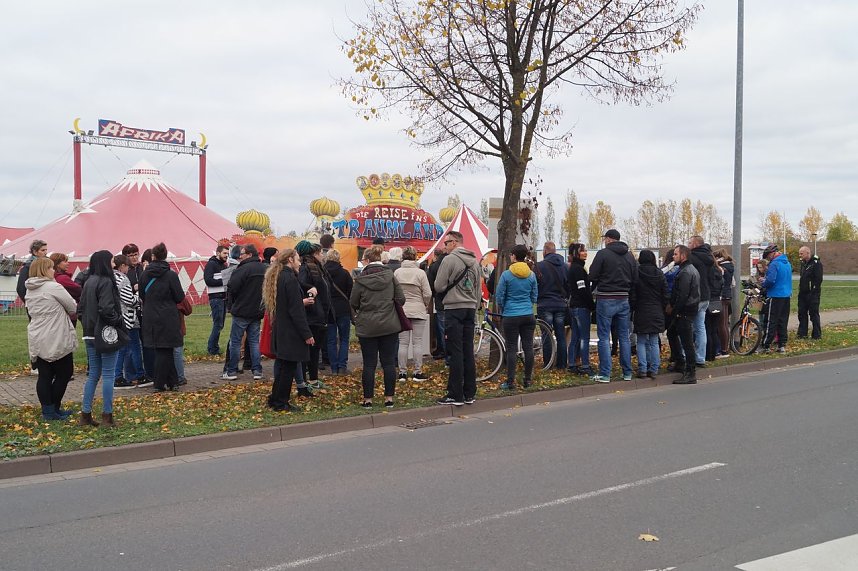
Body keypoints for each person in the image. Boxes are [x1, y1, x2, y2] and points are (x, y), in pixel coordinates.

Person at [351, 245, 405, 408]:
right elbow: (401, 298)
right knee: (388, 363)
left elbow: (353, 302)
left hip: (367, 326)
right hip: (389, 324)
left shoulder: (360, 280)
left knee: (369, 364)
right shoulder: (390, 276)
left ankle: (368, 399)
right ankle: (389, 398)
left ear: (366, 260)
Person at [25, 258, 78, 420]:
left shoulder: (30, 289)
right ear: (44, 270)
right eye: (51, 268)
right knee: (64, 372)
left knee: (45, 374)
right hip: (56, 333)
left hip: (38, 333)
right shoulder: (53, 287)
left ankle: (48, 410)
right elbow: (72, 306)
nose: (53, 271)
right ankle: (53, 407)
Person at [264, 248, 315, 412]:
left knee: (283, 367)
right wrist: (307, 334)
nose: (300, 263)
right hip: (290, 332)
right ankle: (281, 402)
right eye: (298, 259)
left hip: (282, 329)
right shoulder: (289, 279)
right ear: (290, 260)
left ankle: (275, 398)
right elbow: (296, 310)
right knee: (288, 369)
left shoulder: (279, 276)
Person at [433, 231, 481, 406]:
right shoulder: (474, 261)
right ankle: (470, 392)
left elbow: (438, 286)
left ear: (454, 243)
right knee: (468, 350)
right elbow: (477, 290)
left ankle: (455, 394)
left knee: (455, 352)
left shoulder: (449, 260)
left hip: (454, 308)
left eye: (446, 243)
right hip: (470, 308)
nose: (444, 247)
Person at [78, 250, 124, 427]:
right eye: (112, 261)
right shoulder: (106, 282)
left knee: (93, 375)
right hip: (105, 332)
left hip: (89, 332)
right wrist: (118, 321)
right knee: (108, 375)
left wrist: (88, 324)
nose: (114, 264)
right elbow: (106, 308)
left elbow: (80, 309)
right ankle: (107, 414)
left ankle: (86, 413)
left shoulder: (88, 281)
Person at [588, 229, 637, 383]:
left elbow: (593, 274)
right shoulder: (629, 256)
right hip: (624, 298)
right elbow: (635, 278)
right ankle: (627, 372)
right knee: (624, 337)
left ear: (609, 239)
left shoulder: (603, 254)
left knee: (603, 337)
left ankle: (605, 373)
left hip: (606, 297)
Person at [140, 243, 186, 392]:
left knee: (164, 348)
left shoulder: (145, 274)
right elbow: (179, 296)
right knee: (164, 349)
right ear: (165, 256)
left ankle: (173, 382)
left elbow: (141, 294)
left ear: (153, 256)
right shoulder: (171, 275)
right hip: (168, 315)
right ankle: (159, 383)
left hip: (150, 314)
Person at [496, 244, 538, 390]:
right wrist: (528, 303)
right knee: (528, 347)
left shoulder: (506, 275)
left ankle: (511, 381)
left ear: (514, 256)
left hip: (511, 315)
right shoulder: (531, 274)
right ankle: (527, 380)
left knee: (512, 348)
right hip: (527, 314)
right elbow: (534, 295)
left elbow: (500, 295)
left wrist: (503, 306)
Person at [223, 244, 266, 380]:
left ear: (249, 254)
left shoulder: (241, 269)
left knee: (235, 342)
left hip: (241, 310)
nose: (239, 256)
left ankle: (231, 371)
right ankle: (257, 370)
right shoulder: (264, 269)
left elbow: (232, 287)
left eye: (242, 254)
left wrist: (232, 304)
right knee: (254, 341)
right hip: (257, 310)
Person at [296, 241, 332, 390]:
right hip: (312, 314)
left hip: (320, 314)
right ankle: (305, 381)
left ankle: (313, 379)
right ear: (314, 254)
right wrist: (310, 289)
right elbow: (301, 284)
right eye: (320, 253)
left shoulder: (317, 268)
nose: (323, 255)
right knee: (309, 350)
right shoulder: (307, 268)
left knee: (315, 350)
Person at [394, 246, 432, 381]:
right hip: (418, 308)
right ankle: (417, 371)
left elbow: (394, 292)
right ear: (415, 257)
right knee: (417, 342)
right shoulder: (420, 273)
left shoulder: (397, 272)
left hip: (403, 310)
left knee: (403, 343)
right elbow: (427, 293)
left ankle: (402, 372)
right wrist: (425, 304)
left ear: (403, 257)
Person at [666, 245, 700, 384]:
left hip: (685, 310)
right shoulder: (687, 269)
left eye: (675, 254)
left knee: (687, 342)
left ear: (683, 256)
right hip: (686, 308)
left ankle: (690, 373)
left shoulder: (686, 271)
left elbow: (683, 294)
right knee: (671, 333)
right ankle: (680, 362)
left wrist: (674, 310)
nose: (673, 256)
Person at [633, 250, 667, 378]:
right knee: (653, 341)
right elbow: (665, 294)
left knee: (641, 341)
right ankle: (654, 368)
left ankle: (642, 369)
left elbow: (633, 293)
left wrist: (634, 307)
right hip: (656, 310)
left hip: (641, 310)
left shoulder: (636, 273)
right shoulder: (659, 274)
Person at [535, 241, 568, 370]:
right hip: (560, 304)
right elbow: (567, 285)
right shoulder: (565, 266)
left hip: (545, 304)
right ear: (555, 251)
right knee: (561, 336)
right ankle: (562, 364)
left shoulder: (539, 266)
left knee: (547, 335)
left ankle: (548, 364)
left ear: (544, 251)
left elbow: (535, 285)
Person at [120, 243, 149, 385]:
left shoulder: (142, 269)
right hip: (131, 311)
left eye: (135, 254)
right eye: (130, 255)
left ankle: (143, 371)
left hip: (144, 311)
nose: (134, 257)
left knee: (142, 344)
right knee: (131, 346)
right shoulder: (125, 273)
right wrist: (134, 288)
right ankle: (132, 374)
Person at [323, 248, 353, 375]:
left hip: (329, 310)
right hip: (343, 309)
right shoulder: (345, 273)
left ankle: (334, 367)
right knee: (344, 338)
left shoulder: (323, 273)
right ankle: (342, 366)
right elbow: (350, 292)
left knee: (331, 340)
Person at [687, 236, 716, 367]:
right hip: (706, 296)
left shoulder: (692, 257)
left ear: (695, 244)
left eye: (689, 242)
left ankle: (686, 356)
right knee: (700, 328)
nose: (688, 245)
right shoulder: (709, 257)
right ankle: (700, 357)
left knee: (687, 327)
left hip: (695, 296)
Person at [112, 255, 139, 389]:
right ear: (122, 266)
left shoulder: (111, 277)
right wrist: (138, 297)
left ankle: (117, 376)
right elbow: (129, 300)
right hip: (125, 317)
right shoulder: (122, 279)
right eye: (127, 266)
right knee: (124, 349)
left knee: (119, 349)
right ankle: (118, 377)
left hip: (115, 316)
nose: (128, 269)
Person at [566, 243, 594, 375]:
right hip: (581, 307)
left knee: (576, 337)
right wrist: (591, 305)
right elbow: (582, 289)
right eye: (582, 251)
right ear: (577, 253)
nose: (585, 253)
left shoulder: (574, 268)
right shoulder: (578, 270)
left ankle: (572, 363)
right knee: (584, 337)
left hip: (574, 306)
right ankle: (585, 364)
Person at [760, 243, 792, 353]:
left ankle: (766, 345)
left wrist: (763, 282)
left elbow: (770, 281)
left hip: (775, 295)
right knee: (782, 321)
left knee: (771, 321)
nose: (768, 259)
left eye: (768, 256)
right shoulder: (787, 263)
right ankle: (781, 345)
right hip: (786, 295)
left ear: (772, 254)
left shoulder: (774, 264)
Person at [204, 244, 229, 355]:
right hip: (216, 298)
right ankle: (212, 348)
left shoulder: (223, 265)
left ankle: (214, 347)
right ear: (218, 253)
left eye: (227, 254)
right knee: (218, 324)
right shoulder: (211, 264)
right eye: (224, 253)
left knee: (220, 324)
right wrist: (224, 281)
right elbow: (208, 281)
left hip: (222, 297)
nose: (226, 255)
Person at [797, 246, 823, 339]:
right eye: (799, 253)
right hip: (803, 293)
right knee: (802, 313)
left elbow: (818, 279)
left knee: (813, 314)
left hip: (812, 293)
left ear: (807, 253)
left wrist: (813, 291)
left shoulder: (816, 263)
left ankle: (816, 334)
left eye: (801, 253)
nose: (800, 255)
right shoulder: (803, 263)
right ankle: (802, 333)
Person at [426, 249, 448, 360]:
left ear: (435, 256)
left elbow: (430, 285)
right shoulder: (452, 263)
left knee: (442, 328)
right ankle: (445, 350)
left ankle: (443, 351)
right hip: (454, 302)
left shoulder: (434, 266)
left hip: (440, 300)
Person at [713, 249, 735, 358]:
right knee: (725, 324)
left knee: (721, 324)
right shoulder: (730, 266)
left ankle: (723, 350)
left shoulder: (722, 267)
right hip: (728, 296)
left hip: (721, 296)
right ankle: (725, 348)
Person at [16, 239, 49, 304]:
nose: (45, 252)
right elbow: (20, 289)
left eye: (46, 250)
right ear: (35, 252)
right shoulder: (27, 267)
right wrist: (30, 303)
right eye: (42, 250)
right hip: (34, 304)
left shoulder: (47, 264)